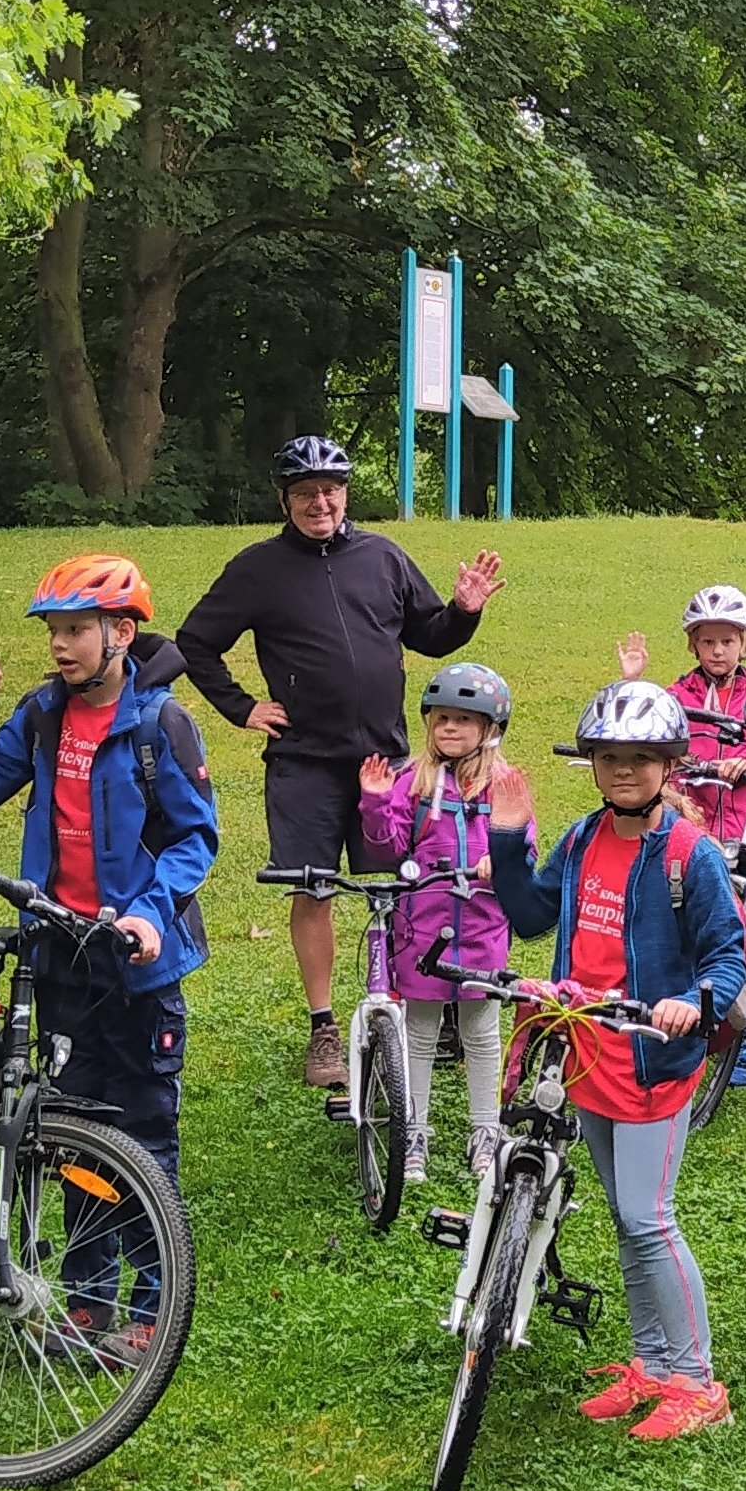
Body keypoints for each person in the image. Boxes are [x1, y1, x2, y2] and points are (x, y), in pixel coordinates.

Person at [173, 436, 505, 1092]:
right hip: (304, 763)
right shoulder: (258, 568)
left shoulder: (381, 556)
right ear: (284, 500)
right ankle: (324, 1026)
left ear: (345, 492)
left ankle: (420, 1009)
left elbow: (429, 634)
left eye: (330, 490)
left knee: (412, 888)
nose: (319, 503)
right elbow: (195, 642)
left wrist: (464, 610)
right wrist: (243, 708)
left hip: (385, 760)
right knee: (313, 888)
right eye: (304, 493)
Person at [489, 681, 746, 1442]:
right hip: (588, 1050)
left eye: (641, 759)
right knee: (625, 1219)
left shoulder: (688, 855)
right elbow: (532, 916)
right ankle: (651, 1363)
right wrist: (508, 838)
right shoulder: (579, 840)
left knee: (650, 1217)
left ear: (669, 765)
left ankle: (699, 1382)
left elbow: (728, 953)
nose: (624, 771)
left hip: (652, 1060)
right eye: (610, 758)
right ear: (593, 763)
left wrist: (696, 1000)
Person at [0, 556, 222, 1201]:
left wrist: (150, 914)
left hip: (137, 958)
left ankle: (154, 1294)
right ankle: (87, 1298)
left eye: (75, 630)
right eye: (54, 631)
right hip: (62, 952)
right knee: (72, 1128)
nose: (60, 645)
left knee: (146, 1129)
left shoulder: (161, 723)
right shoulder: (43, 713)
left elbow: (196, 837)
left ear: (120, 633)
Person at [359, 663, 527, 1183]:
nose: (449, 729)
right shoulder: (415, 780)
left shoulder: (504, 784)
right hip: (423, 928)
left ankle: (486, 1130)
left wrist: (502, 859)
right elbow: (387, 850)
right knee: (420, 1033)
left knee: (481, 1031)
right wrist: (375, 801)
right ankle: (413, 1130)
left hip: (482, 927)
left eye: (463, 720)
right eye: (442, 719)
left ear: (489, 728)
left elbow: (525, 845)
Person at [618, 585, 746, 1087]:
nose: (717, 651)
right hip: (687, 825)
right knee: (682, 921)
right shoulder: (677, 694)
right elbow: (642, 735)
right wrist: (632, 683)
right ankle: (691, 1014)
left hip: (741, 825)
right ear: (693, 645)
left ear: (744, 644)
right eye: (707, 641)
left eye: (727, 642)